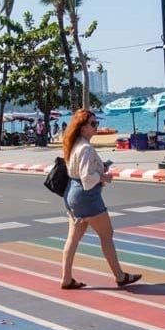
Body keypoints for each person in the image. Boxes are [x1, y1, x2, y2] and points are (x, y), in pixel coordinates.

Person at [60, 108, 142, 290]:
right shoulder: (86, 148)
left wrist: (100, 166)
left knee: (72, 239)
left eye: (96, 123)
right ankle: (120, 276)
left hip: (72, 195)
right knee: (107, 235)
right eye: (93, 124)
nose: (96, 127)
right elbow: (87, 179)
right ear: (82, 127)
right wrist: (104, 177)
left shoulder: (73, 145)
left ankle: (66, 278)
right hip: (88, 197)